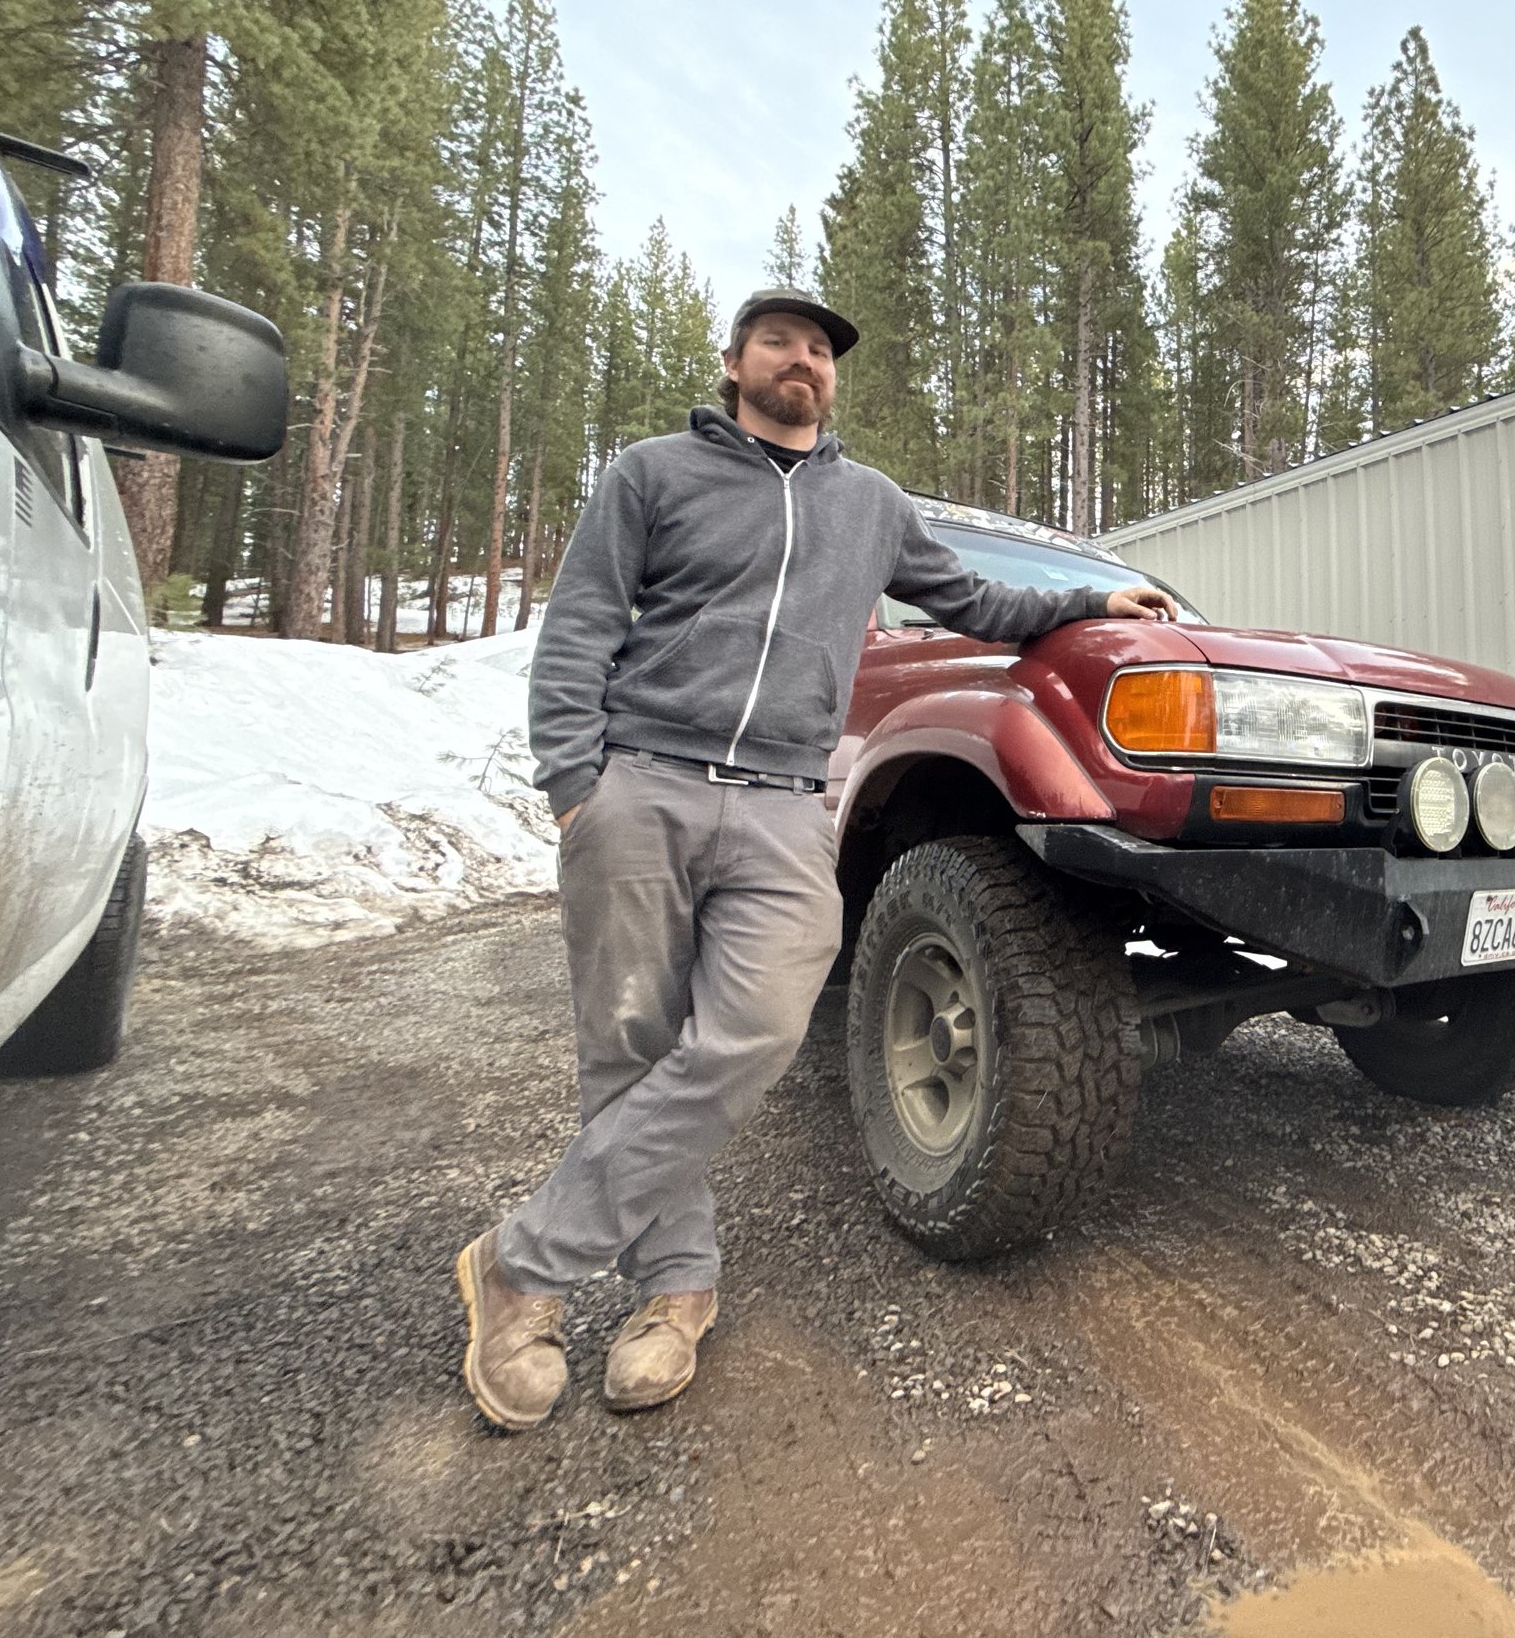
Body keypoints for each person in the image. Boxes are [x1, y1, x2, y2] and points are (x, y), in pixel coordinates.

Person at [456, 289, 1176, 1430]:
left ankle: (521, 1260)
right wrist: (575, 787)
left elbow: (977, 600)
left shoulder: (871, 505)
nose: (805, 360)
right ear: (735, 360)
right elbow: (582, 625)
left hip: (790, 806)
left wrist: (1090, 599)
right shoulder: (650, 476)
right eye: (782, 341)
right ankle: (672, 1290)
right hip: (643, 783)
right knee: (633, 1047)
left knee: (754, 1033)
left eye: (822, 350)